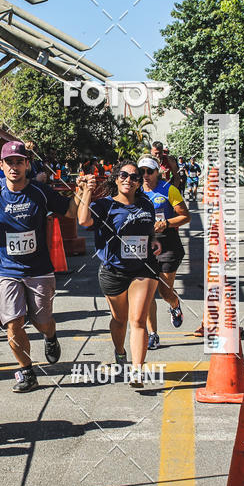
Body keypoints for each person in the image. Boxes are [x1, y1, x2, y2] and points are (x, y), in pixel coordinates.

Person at [0, 141, 81, 393]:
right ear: (1, 165)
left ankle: (50, 337)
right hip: (6, 271)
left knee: (42, 321)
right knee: (13, 324)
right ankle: (27, 371)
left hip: (39, 270)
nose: (15, 167)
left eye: (20, 161)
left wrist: (81, 192)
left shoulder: (40, 191)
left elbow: (71, 212)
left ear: (27, 164)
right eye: (10, 162)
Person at [77, 159, 161, 385]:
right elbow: (83, 220)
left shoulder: (146, 204)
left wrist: (154, 241)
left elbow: (148, 230)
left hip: (144, 267)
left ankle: (137, 370)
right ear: (116, 178)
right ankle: (120, 351)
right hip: (114, 270)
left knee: (138, 320)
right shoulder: (105, 205)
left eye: (134, 177)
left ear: (138, 183)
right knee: (120, 319)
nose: (129, 180)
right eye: (124, 175)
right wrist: (87, 191)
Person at [138, 154, 191, 349]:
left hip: (168, 244)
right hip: (145, 245)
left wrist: (166, 223)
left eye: (149, 171)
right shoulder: (135, 191)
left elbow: (186, 216)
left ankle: (174, 305)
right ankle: (153, 334)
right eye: (141, 171)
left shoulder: (169, 190)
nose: (145, 175)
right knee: (148, 294)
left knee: (164, 291)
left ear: (157, 172)